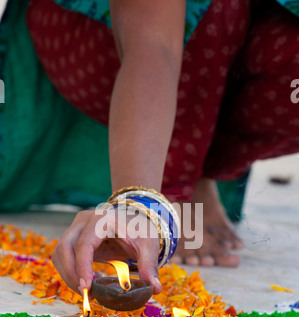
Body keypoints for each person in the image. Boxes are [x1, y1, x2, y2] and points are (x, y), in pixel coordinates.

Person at [6, 0, 299, 295]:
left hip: (229, 54)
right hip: (105, 38)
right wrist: (138, 203)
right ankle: (171, 186)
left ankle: (200, 168)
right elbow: (154, 42)